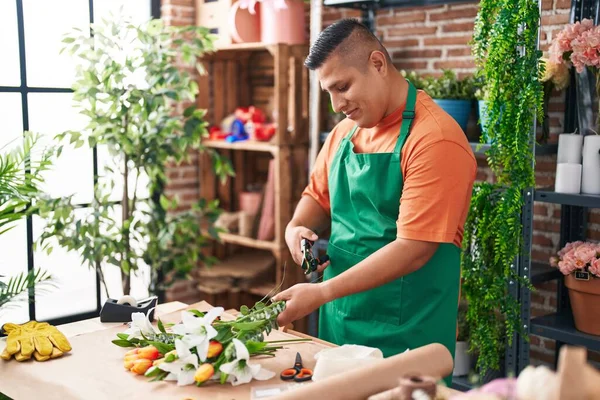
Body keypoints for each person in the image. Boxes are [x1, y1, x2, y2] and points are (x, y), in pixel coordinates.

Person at [272, 18, 477, 384]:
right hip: (339, 322)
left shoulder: (436, 139)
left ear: (378, 64)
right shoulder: (345, 133)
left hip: (406, 336)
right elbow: (317, 196)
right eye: (328, 92)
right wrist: (295, 227)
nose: (336, 104)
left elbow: (414, 248)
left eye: (343, 87)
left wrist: (321, 292)